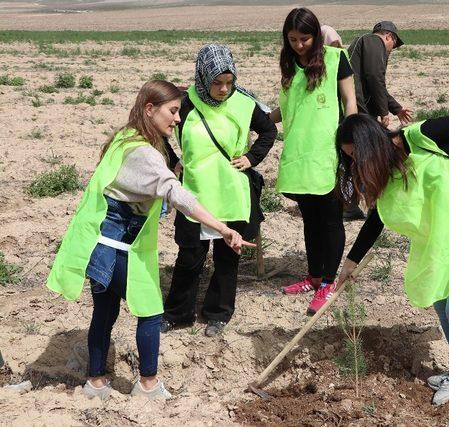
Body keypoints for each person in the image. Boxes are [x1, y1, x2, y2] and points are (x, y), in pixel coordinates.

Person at [46, 80, 253, 400]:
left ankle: (96, 382)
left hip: (96, 244)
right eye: (172, 111)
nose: (178, 119)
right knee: (151, 310)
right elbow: (180, 195)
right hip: (118, 248)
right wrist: (223, 228)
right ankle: (148, 384)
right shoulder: (146, 154)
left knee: (104, 312)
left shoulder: (124, 138)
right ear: (149, 109)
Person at [334, 112, 449, 405]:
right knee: (441, 299)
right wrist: (350, 264)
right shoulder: (388, 168)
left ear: (370, 145)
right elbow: (377, 218)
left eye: (356, 155)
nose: (354, 164)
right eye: (349, 158)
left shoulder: (421, 136)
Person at [161, 44, 277, 337]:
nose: (224, 89)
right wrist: (173, 162)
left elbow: (269, 131)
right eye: (217, 82)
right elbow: (158, 130)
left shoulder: (244, 103)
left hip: (231, 192)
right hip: (195, 193)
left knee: (228, 258)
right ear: (203, 77)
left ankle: (218, 313)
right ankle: (177, 314)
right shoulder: (185, 104)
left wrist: (252, 157)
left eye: (229, 82)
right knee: (190, 256)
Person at [269, 7, 357, 315]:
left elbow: (350, 102)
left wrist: (352, 141)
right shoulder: (290, 64)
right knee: (310, 219)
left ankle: (328, 283)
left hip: (327, 152)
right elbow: (287, 106)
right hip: (298, 153)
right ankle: (314, 275)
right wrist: (264, 120)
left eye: (304, 39)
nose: (299, 45)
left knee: (330, 219)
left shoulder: (335, 59)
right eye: (292, 39)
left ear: (316, 35)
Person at [347, 21, 413, 128]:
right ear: (389, 37)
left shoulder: (368, 43)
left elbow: (377, 85)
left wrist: (397, 109)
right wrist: (383, 112)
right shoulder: (374, 40)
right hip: (355, 103)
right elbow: (375, 78)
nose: (392, 50)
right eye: (394, 45)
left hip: (355, 102)